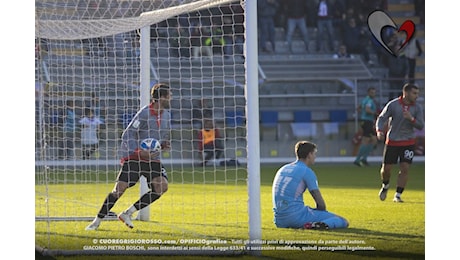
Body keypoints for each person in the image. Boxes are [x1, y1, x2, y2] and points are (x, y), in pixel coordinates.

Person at [85, 83, 172, 230]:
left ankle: (128, 213)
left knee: (161, 186)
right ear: (161, 97)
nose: (171, 98)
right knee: (119, 189)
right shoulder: (144, 113)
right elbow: (128, 133)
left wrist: (162, 145)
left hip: (152, 159)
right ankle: (97, 221)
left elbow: (159, 137)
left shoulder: (167, 116)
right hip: (135, 157)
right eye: (169, 95)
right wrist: (138, 151)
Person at [272, 141, 349, 229]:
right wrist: (320, 213)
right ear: (309, 155)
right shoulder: (306, 171)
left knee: (307, 210)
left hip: (279, 220)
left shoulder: (283, 168)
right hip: (295, 218)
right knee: (342, 220)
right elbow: (320, 204)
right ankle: (315, 225)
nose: (315, 157)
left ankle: (312, 224)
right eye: (314, 154)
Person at [376, 83, 424, 203]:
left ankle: (398, 195)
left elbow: (420, 125)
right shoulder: (393, 105)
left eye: (417, 93)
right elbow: (381, 118)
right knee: (386, 169)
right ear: (406, 93)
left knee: (405, 168)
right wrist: (379, 131)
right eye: (414, 93)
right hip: (393, 141)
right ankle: (385, 185)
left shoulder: (418, 108)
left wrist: (411, 119)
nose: (417, 96)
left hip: (408, 142)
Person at [353, 87, 378, 166]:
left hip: (366, 121)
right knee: (366, 140)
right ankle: (358, 159)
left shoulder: (364, 100)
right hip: (367, 122)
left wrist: (362, 114)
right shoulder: (369, 101)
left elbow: (358, 108)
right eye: (372, 93)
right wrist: (375, 113)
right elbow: (367, 109)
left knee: (373, 139)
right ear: (369, 93)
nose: (373, 94)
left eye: (374, 92)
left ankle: (364, 158)